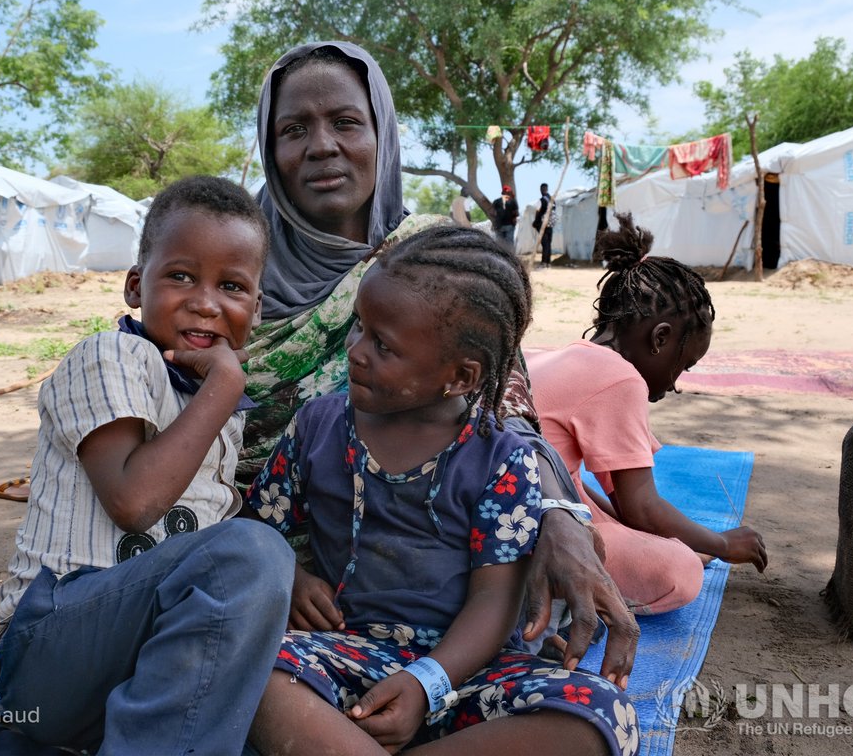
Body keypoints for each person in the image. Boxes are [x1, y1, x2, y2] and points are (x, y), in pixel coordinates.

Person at [242, 40, 639, 687]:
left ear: (382, 134)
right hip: (282, 547)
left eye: (345, 122)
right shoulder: (228, 271)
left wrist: (558, 515)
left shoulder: (435, 257)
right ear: (269, 144)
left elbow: (503, 412)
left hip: (451, 537)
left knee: (633, 573)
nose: (320, 145)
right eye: (293, 129)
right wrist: (265, 564)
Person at [245, 226, 637, 756]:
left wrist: (424, 686)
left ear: (460, 377)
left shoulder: (501, 458)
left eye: (382, 345)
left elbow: (494, 602)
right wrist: (289, 574)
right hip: (342, 656)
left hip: (466, 673)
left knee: (599, 714)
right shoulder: (316, 427)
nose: (355, 352)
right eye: (359, 327)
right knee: (252, 669)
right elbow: (252, 531)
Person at [0, 176, 294, 755]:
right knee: (254, 551)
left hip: (129, 669)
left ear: (257, 308)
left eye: (233, 286)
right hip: (50, 645)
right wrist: (225, 384)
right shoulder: (110, 355)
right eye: (181, 276)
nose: (206, 301)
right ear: (136, 286)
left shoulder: (211, 398)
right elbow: (135, 502)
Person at [526, 213, 768, 616]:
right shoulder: (619, 378)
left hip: (501, 506)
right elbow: (641, 507)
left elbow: (617, 500)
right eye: (682, 365)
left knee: (588, 498)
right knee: (680, 571)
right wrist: (720, 545)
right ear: (660, 338)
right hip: (531, 529)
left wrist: (682, 536)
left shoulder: (568, 356)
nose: (676, 383)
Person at [532, 182, 556, 268]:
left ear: (542, 189)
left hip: (543, 225)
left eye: (542, 189)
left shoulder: (542, 200)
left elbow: (538, 212)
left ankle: (544, 263)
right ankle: (548, 263)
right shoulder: (552, 199)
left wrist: (535, 223)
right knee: (548, 243)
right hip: (551, 224)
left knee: (545, 243)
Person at [491, 184, 519, 251]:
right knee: (509, 244)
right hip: (509, 225)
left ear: (502, 192)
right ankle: (510, 259)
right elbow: (516, 213)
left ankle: (501, 259)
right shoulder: (513, 201)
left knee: (499, 244)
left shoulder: (496, 201)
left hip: (499, 225)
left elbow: (492, 213)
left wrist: (497, 217)